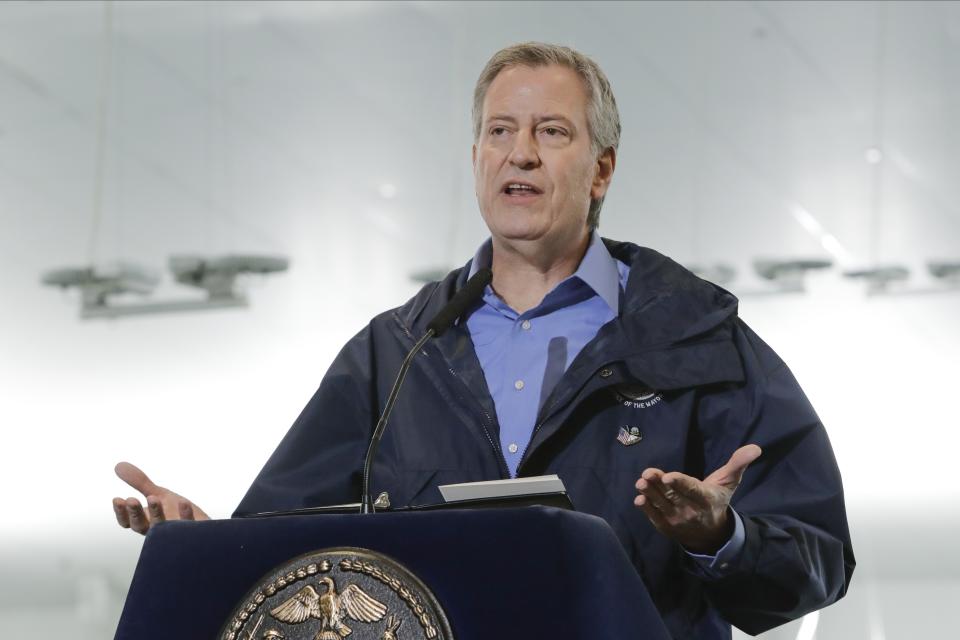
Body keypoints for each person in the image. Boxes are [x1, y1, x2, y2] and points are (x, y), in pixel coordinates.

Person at [113, 42, 854, 638]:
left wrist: (718, 535)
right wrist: (209, 544)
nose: (520, 153)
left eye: (551, 132)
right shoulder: (396, 354)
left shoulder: (695, 341)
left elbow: (817, 561)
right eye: (500, 131)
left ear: (602, 169)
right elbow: (290, 548)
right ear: (476, 158)